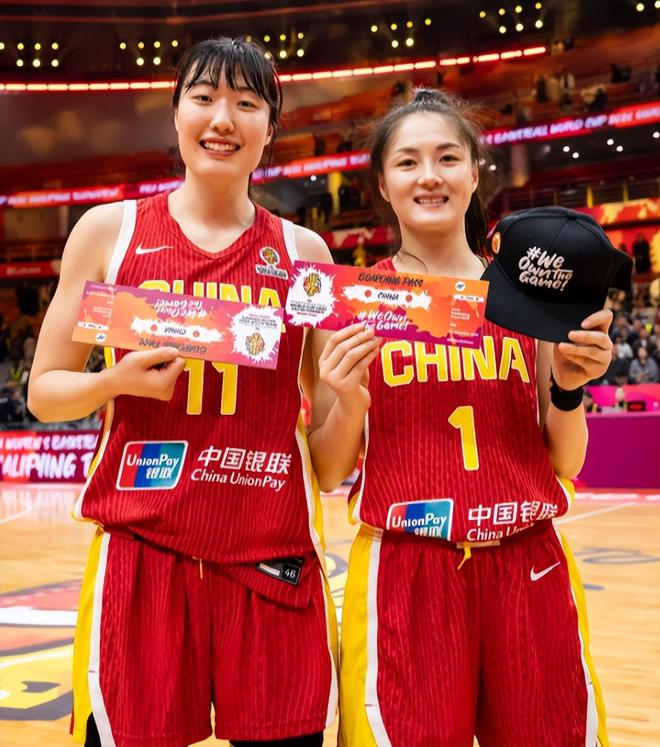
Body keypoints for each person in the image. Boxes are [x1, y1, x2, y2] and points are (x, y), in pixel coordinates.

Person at [28, 37, 338, 747]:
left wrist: (349, 395)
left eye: (247, 103)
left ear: (270, 128)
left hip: (271, 556)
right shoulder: (109, 232)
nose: (222, 119)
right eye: (203, 98)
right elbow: (45, 391)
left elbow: (327, 453)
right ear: (176, 114)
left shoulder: (305, 256)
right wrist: (113, 380)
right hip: (144, 553)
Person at [308, 89, 613, 746]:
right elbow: (329, 471)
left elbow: (566, 461)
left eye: (448, 158)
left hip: (528, 561)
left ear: (475, 174)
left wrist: (567, 390)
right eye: (408, 162)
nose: (430, 176)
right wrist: (351, 400)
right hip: (407, 567)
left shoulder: (529, 295)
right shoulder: (353, 302)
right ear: (382, 184)